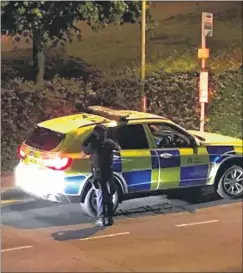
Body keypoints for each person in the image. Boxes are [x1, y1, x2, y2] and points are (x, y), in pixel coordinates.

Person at [82, 124, 120, 226]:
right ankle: (110, 218)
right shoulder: (109, 143)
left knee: (100, 195)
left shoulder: (93, 145)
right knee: (109, 194)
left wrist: (91, 135)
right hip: (109, 171)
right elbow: (118, 148)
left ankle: (102, 218)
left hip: (98, 173)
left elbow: (84, 147)